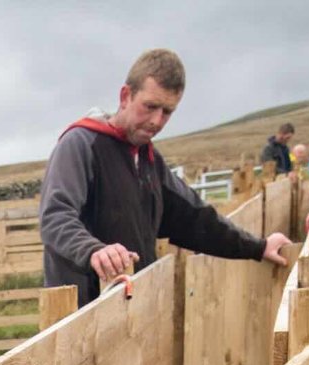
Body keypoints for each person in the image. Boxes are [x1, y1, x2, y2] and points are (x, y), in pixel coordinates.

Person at [40, 48, 295, 304]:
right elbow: (56, 216)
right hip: (81, 316)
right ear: (125, 96)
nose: (156, 121)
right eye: (150, 106)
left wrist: (259, 247)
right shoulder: (81, 145)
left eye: (167, 112)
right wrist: (93, 250)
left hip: (131, 311)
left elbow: (196, 218)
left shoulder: (149, 160)